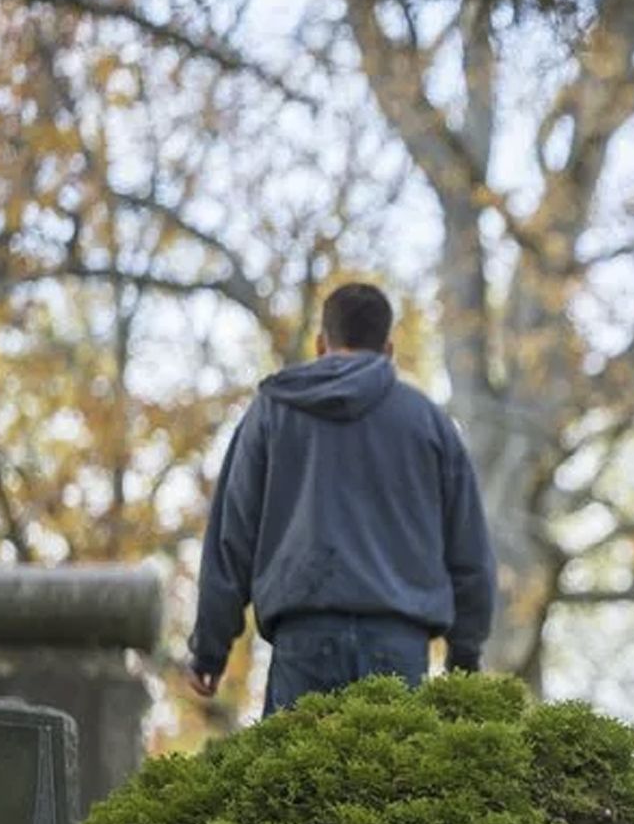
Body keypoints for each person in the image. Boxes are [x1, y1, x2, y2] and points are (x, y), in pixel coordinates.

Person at [188, 282, 497, 714]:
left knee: (297, 779)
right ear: (387, 349)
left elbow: (232, 536)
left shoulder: (272, 412)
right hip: (398, 642)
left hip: (304, 637)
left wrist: (210, 648)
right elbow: (468, 551)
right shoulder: (429, 423)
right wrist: (465, 655)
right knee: (392, 780)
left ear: (320, 344)